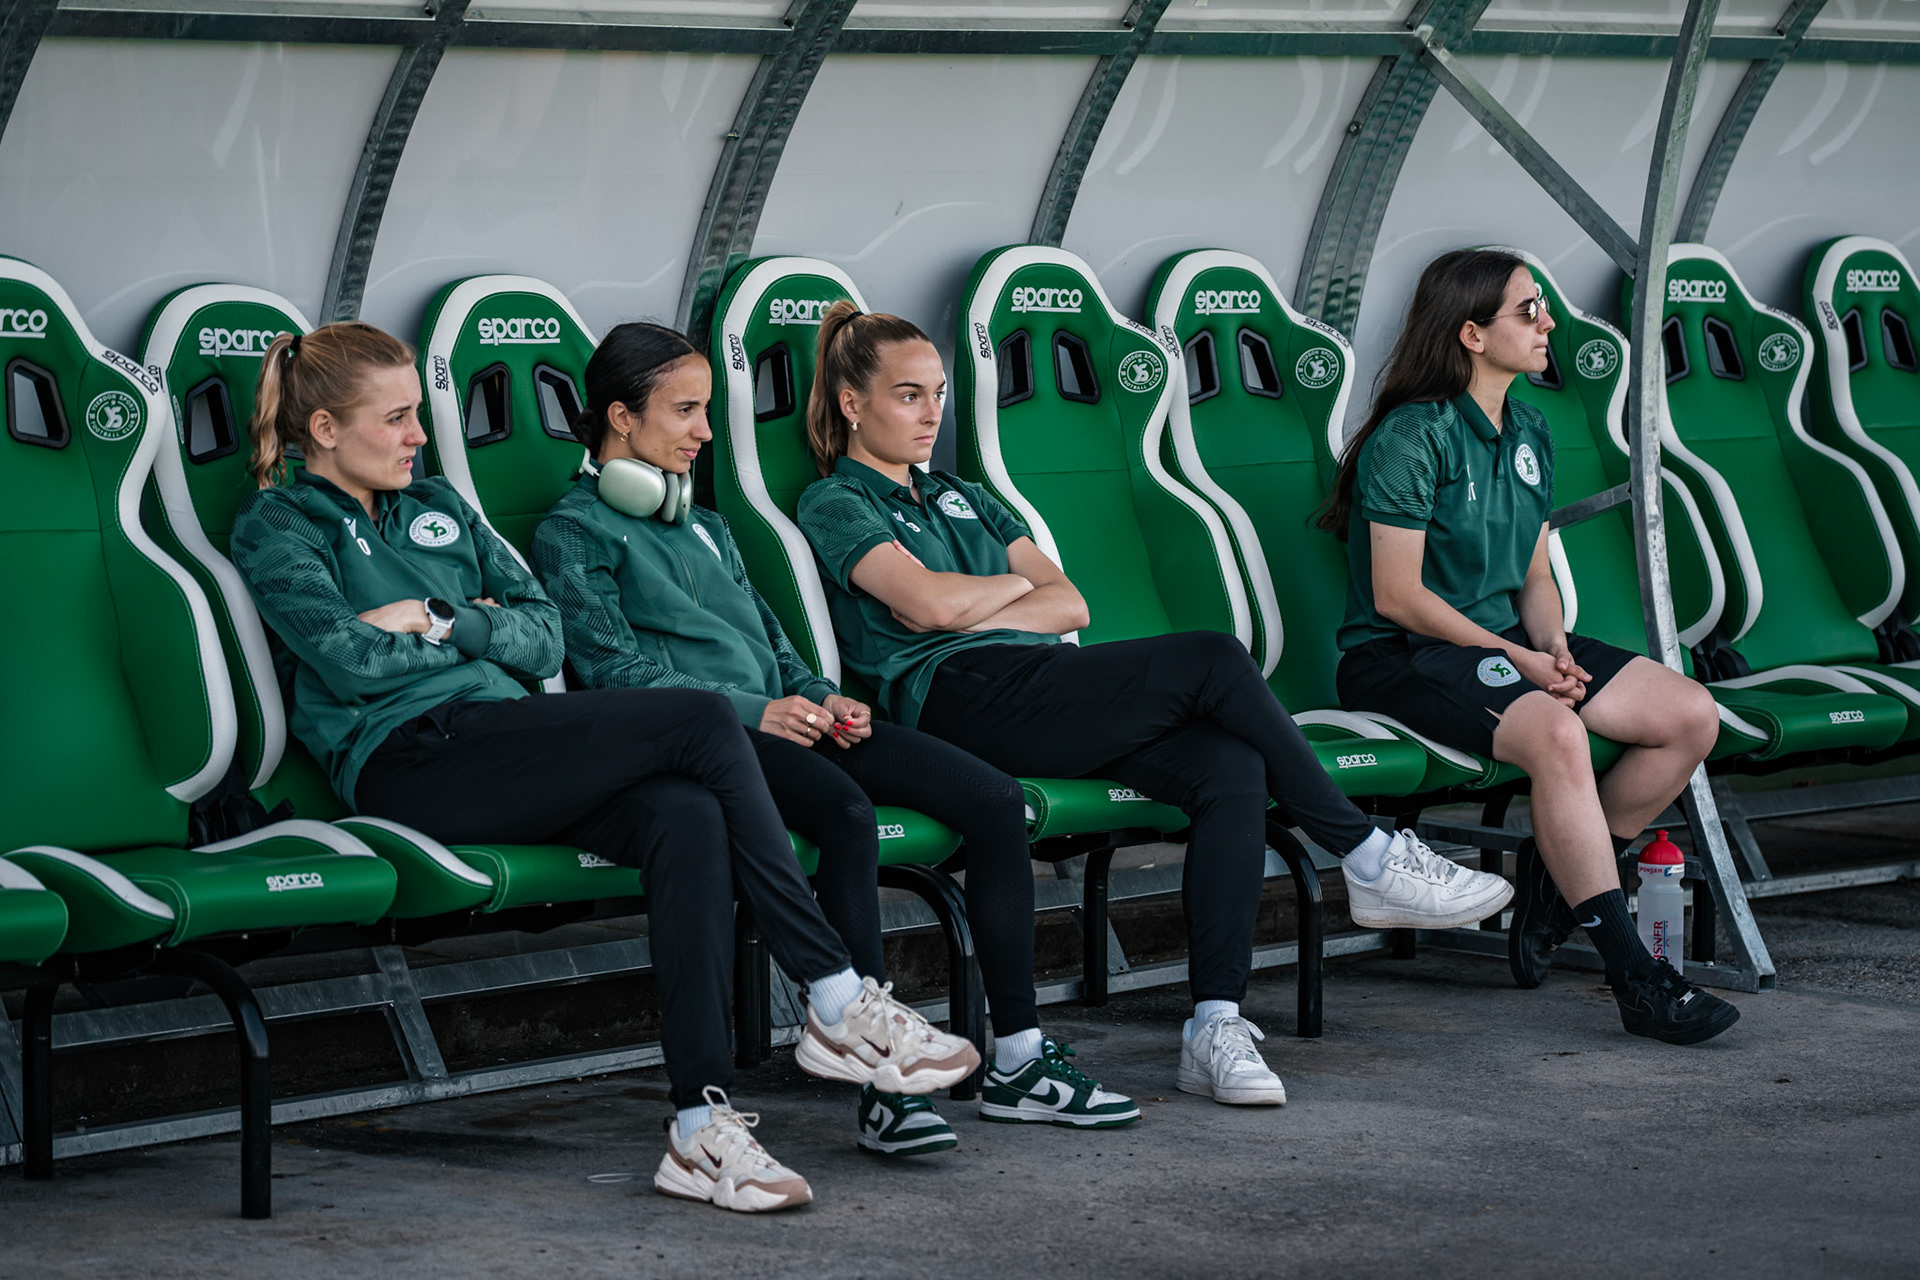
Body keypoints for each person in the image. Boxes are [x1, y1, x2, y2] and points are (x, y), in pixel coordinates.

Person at [228, 321, 979, 1213]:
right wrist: (466, 630)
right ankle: (832, 989)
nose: (419, 437)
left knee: (686, 816)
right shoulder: (280, 522)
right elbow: (346, 656)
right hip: (411, 761)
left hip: (506, 740)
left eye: (417, 418)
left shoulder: (441, 505)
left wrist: (433, 616)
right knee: (700, 720)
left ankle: (700, 1129)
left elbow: (537, 631)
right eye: (396, 421)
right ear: (324, 431)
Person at [792, 303, 1514, 1108]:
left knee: (1229, 766)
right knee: (1209, 656)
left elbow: (1070, 605)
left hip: (1046, 695)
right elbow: (924, 607)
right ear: (853, 406)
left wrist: (978, 602)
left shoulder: (965, 497)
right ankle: (1363, 850)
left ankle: (1214, 1025)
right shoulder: (836, 503)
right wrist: (998, 594)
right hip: (955, 700)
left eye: (936, 393)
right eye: (907, 395)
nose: (931, 414)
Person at [530, 322, 1137, 1140]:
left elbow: (776, 646)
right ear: (620, 418)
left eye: (709, 409)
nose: (707, 432)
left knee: (992, 800)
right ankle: (887, 1092)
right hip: (714, 740)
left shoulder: (704, 523)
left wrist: (822, 696)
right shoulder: (573, 530)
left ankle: (1020, 1056)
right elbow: (615, 674)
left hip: (795, 720)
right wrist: (759, 714)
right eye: (686, 411)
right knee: (847, 814)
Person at [1322, 247, 1738, 1045]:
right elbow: (1397, 596)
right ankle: (1636, 978)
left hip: (1503, 645)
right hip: (1400, 658)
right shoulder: (1411, 437)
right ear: (1471, 334)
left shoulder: (1530, 428)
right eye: (1527, 311)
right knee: (1559, 731)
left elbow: (1534, 570)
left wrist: (1552, 648)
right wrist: (1518, 660)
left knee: (1689, 714)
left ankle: (1551, 891)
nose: (1548, 322)